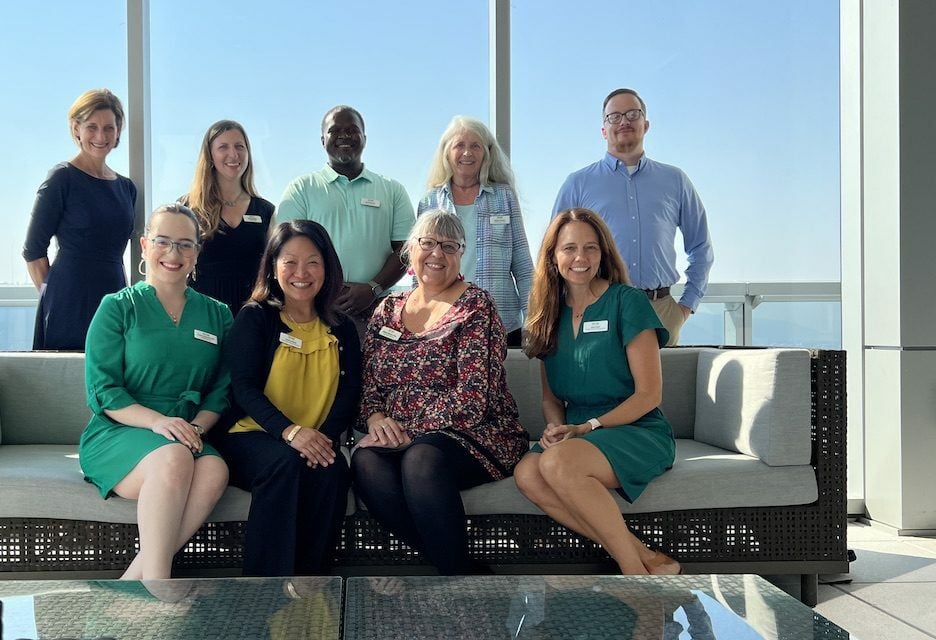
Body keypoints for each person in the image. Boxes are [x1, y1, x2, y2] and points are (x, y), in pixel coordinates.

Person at [352, 210, 528, 575]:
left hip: (475, 432)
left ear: (461, 255)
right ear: (410, 251)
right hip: (400, 435)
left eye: (449, 246)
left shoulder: (476, 307)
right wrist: (376, 418)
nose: (437, 254)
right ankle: (459, 568)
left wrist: (407, 434)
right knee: (365, 462)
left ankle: (453, 575)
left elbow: (473, 398)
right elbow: (367, 383)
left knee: (421, 460)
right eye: (428, 243)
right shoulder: (387, 309)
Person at [513, 208, 679, 576]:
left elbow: (649, 395)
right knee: (527, 473)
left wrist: (586, 427)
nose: (580, 258)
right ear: (553, 257)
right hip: (576, 433)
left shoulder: (627, 302)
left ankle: (632, 572)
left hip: (635, 429)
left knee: (555, 463)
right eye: (569, 248)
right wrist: (557, 426)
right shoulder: (547, 314)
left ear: (603, 254)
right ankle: (648, 558)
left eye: (590, 248)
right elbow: (550, 398)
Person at [78, 203, 232, 580]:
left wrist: (194, 428)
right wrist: (160, 423)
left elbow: (221, 390)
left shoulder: (219, 315)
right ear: (145, 246)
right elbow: (104, 390)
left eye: (185, 244)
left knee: (214, 468)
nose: (173, 254)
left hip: (187, 431)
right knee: (174, 458)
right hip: (122, 429)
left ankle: (136, 580)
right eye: (163, 242)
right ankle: (159, 583)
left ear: (197, 253)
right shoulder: (117, 307)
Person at [214, 220, 361, 576]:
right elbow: (243, 387)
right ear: (273, 265)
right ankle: (264, 590)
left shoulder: (342, 326)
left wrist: (321, 439)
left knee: (333, 468)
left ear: (327, 267)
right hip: (252, 435)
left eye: (312, 261)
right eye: (290, 261)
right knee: (286, 464)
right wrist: (292, 433)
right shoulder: (256, 317)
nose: (301, 272)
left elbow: (349, 392)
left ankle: (313, 585)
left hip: (315, 440)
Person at [552, 88, 713, 346]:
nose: (624, 121)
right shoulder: (578, 184)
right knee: (601, 385)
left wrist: (685, 307)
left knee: (662, 387)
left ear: (645, 124)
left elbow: (701, 246)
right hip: (599, 307)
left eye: (632, 114)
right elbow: (556, 251)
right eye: (614, 116)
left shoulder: (675, 181)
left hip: (660, 311)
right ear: (604, 130)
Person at [275, 105, 413, 326]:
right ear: (322, 140)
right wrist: (327, 288)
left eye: (352, 130)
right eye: (335, 131)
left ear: (364, 138)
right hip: (315, 308)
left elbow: (406, 250)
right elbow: (285, 251)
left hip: (377, 309)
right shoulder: (301, 189)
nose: (344, 136)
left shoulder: (392, 189)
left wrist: (372, 288)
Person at [23, 88, 137, 350]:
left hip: (114, 292)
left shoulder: (127, 188)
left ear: (119, 130)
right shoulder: (62, 178)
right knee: (66, 382)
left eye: (109, 127)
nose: (100, 136)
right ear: (76, 128)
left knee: (112, 377)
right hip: (68, 297)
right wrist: (55, 297)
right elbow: (33, 251)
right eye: (91, 127)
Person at [417, 116, 533, 344]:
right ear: (446, 153)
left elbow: (522, 264)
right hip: (445, 323)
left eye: (475, 146)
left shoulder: (504, 197)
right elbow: (418, 268)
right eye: (459, 145)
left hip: (500, 323)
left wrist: (532, 319)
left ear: (486, 153)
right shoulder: (429, 202)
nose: (467, 153)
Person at [181, 120, 275, 314]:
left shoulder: (266, 212)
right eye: (223, 147)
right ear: (210, 156)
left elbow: (273, 271)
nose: (233, 154)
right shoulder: (188, 208)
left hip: (252, 317)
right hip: (201, 316)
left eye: (240, 146)